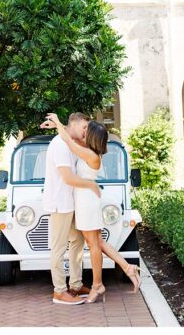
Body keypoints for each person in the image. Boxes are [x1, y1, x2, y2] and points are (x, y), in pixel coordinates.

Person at [44, 112, 143, 302]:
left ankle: (95, 285)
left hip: (85, 201)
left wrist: (58, 122)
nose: (84, 133)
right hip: (73, 200)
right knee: (91, 242)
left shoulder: (87, 152)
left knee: (92, 243)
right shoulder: (77, 147)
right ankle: (125, 268)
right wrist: (61, 125)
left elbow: (69, 138)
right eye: (84, 128)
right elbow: (69, 139)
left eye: (87, 131)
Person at [40, 111, 100, 305]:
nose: (86, 132)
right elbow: (68, 178)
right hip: (60, 202)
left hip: (71, 202)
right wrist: (91, 184)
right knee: (58, 248)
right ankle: (59, 291)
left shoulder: (69, 142)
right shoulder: (59, 145)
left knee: (77, 242)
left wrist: (59, 126)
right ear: (73, 125)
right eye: (84, 127)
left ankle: (75, 284)